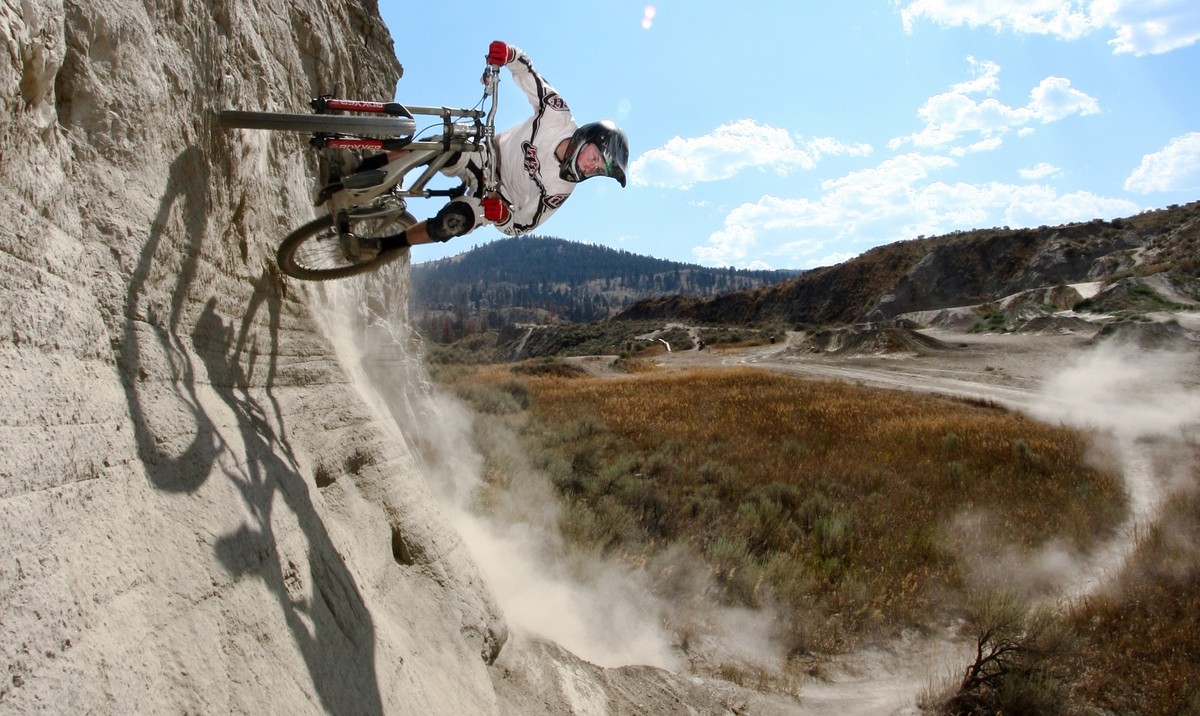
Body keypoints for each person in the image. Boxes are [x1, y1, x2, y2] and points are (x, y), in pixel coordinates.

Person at [345, 41, 629, 260]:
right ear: (586, 138)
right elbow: (528, 72)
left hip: (493, 198)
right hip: (484, 156)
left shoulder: (559, 192)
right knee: (442, 143)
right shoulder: (557, 115)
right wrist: (508, 54)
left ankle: (380, 247)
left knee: (452, 223)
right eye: (595, 159)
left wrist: (502, 216)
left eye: (599, 171)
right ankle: (370, 167)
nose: (592, 169)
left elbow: (521, 226)